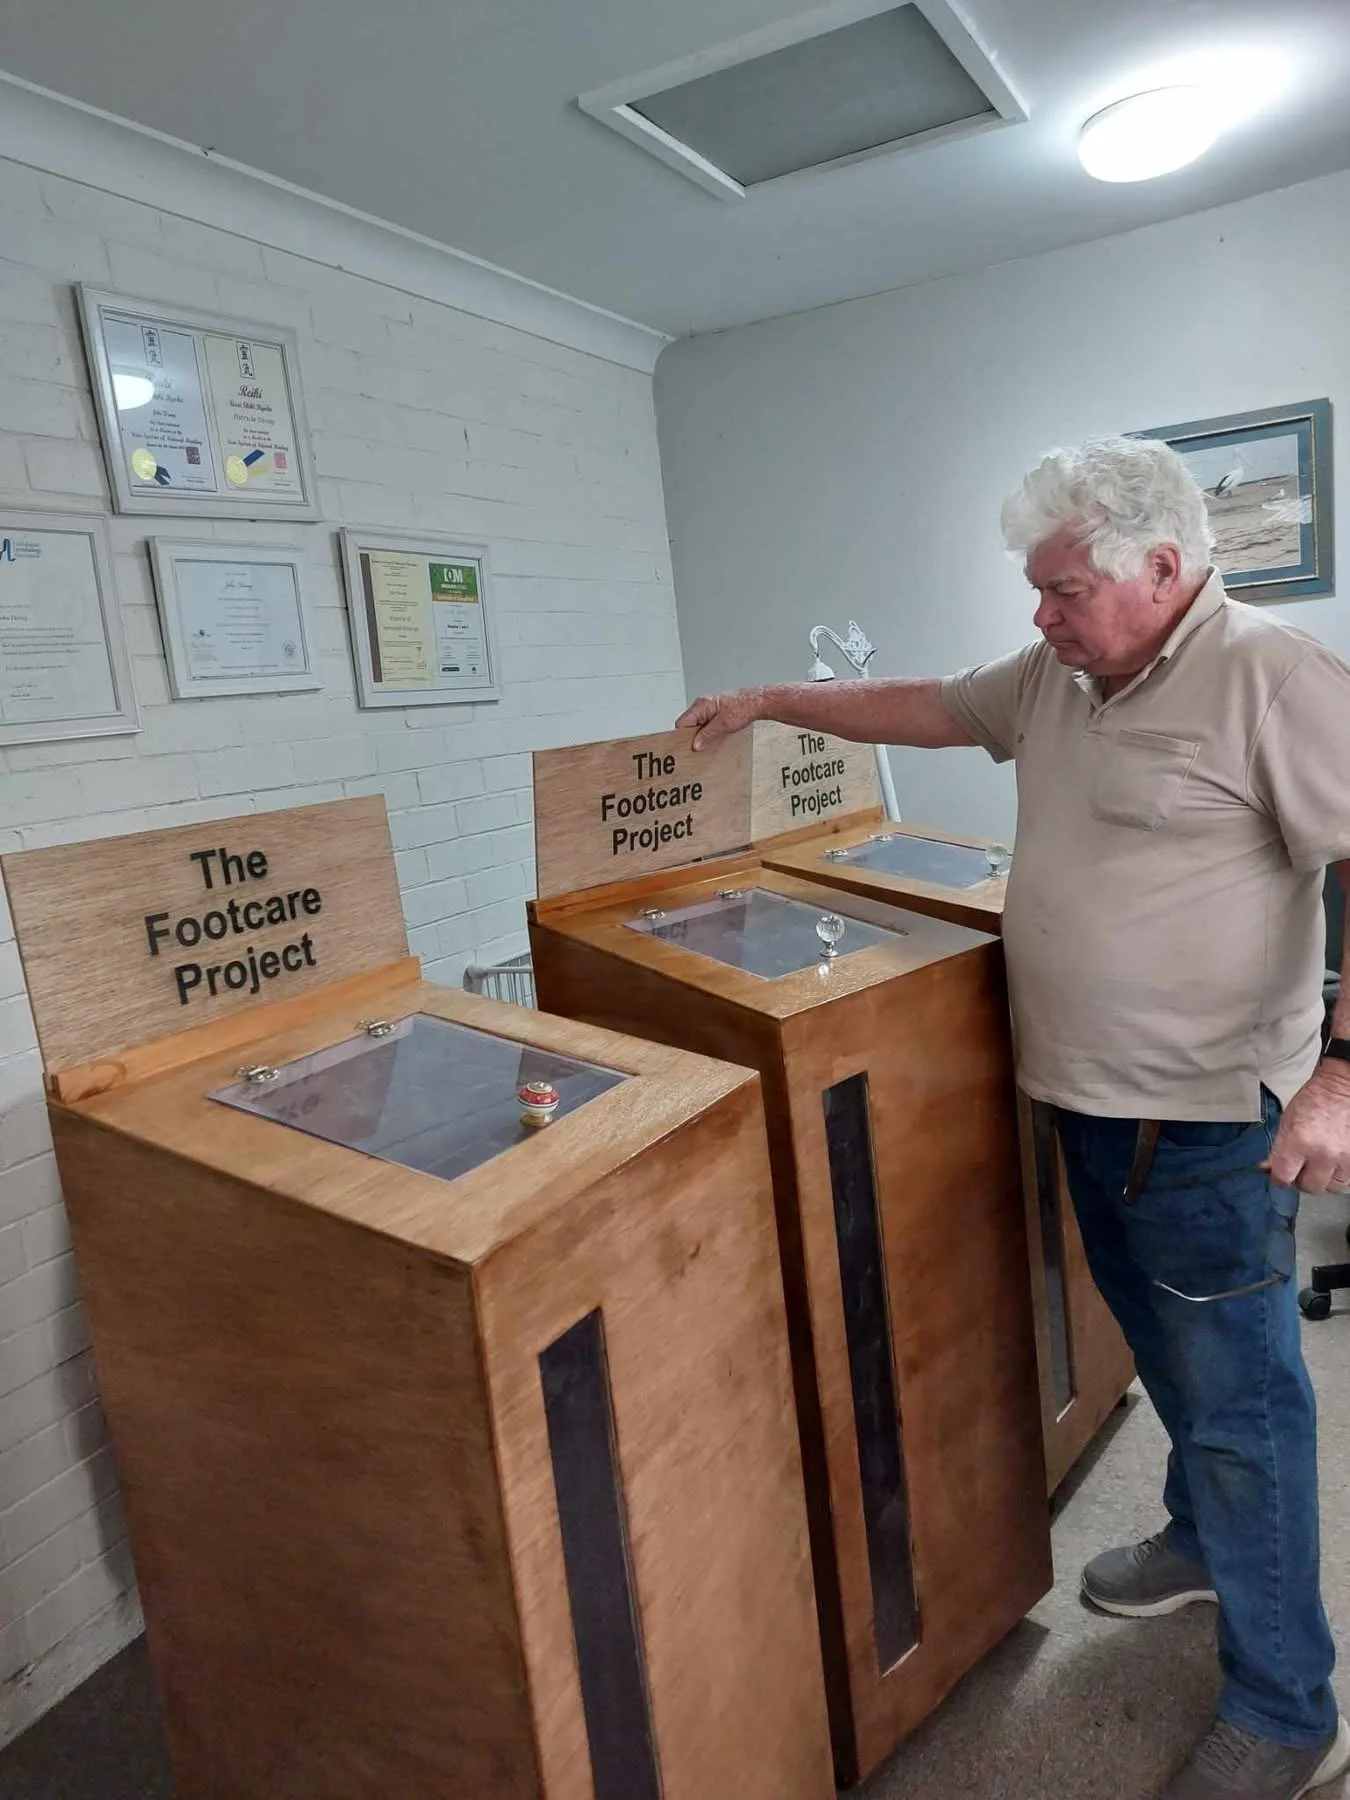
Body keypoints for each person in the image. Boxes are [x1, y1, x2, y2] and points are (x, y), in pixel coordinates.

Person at [677, 435, 1350, 1800]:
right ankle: (1194, 1547)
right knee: (1171, 1361)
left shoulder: (1269, 675)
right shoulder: (1057, 676)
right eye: (1035, 591)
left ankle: (1288, 1710)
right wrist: (772, 698)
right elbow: (922, 705)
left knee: (1243, 1409)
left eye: (1060, 590)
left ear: (1162, 567)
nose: (1037, 617)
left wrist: (1341, 1078)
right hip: (1090, 1109)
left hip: (1214, 1121)